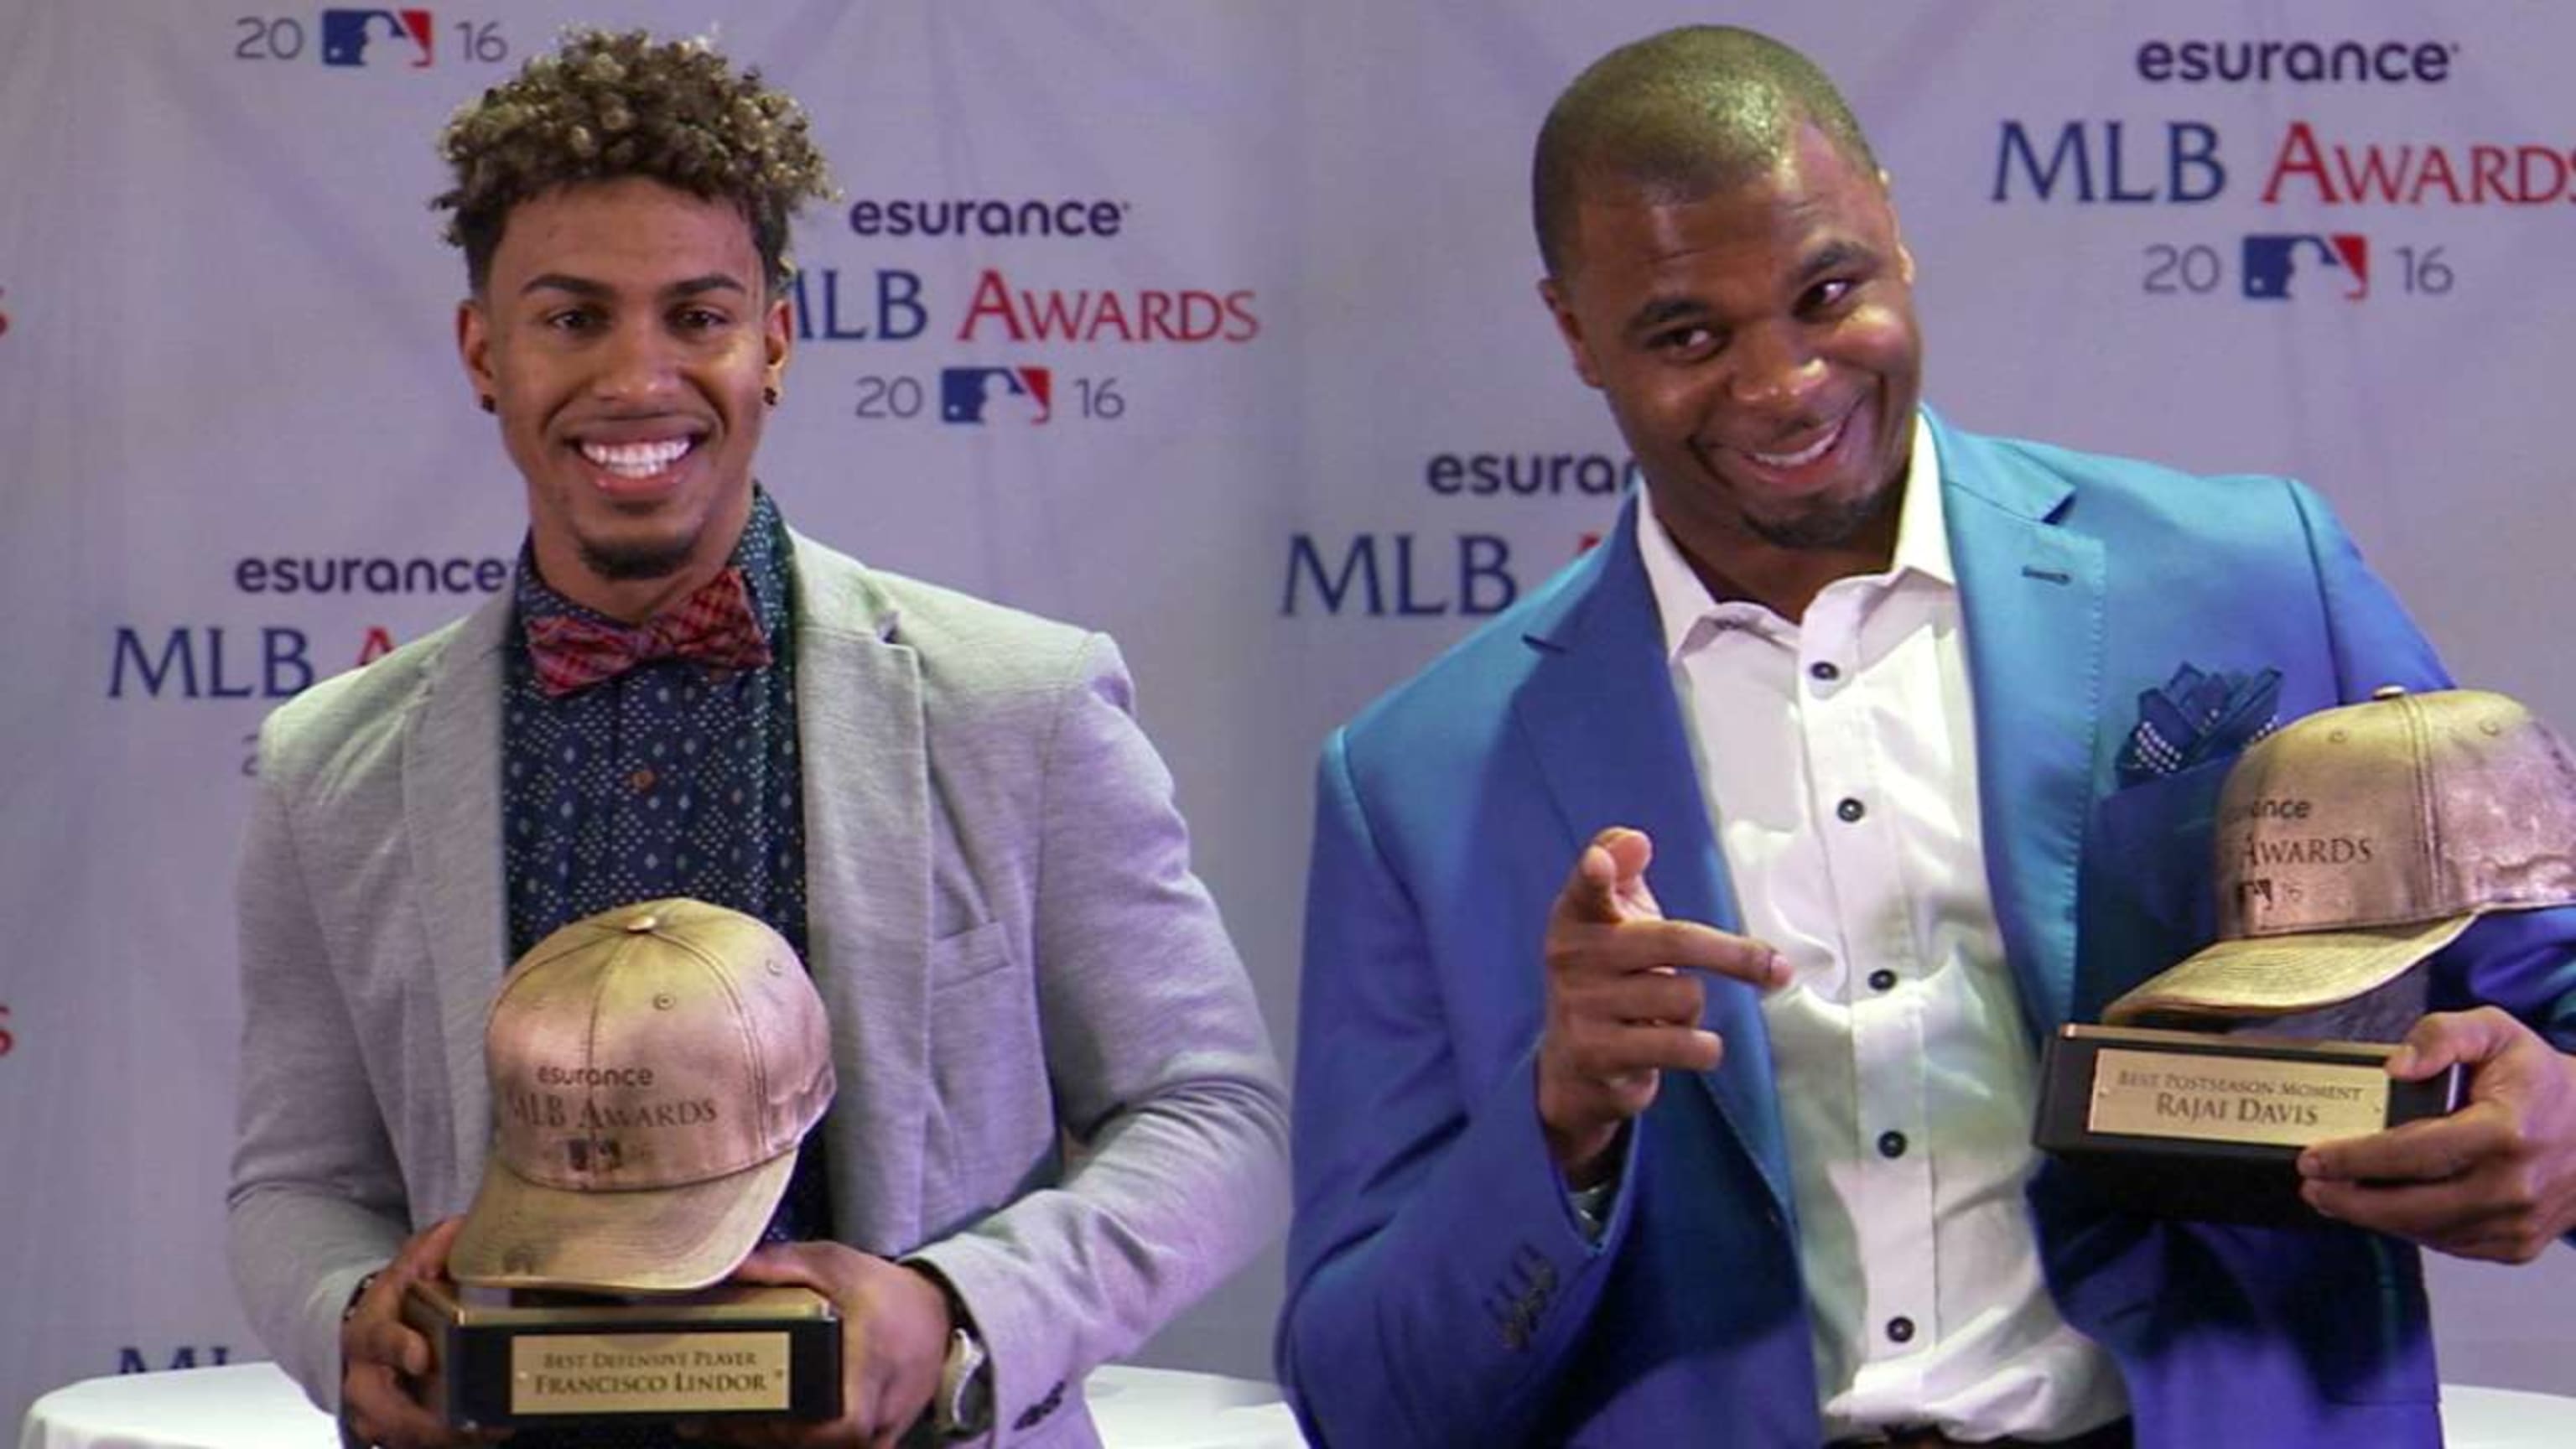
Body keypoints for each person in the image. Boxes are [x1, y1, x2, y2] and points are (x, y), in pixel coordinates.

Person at [1278, 24, 2576, 1449]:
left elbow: (2551, 1003)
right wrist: (1559, 1121)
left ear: (1894, 227)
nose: (1783, 385)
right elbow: (1359, 1394)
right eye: (1687, 334)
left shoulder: (2255, 573)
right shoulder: (1418, 776)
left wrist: (2560, 1131)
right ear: (1577, 333)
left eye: (1825, 292)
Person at [226, 29, 1286, 1449]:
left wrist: (955, 1312)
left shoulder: (1019, 706)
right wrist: (352, 1313)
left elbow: (1215, 1118)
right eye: (573, 317)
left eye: (698, 316)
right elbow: (293, 1183)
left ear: (775, 339)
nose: (639, 378)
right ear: (485, 350)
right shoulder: (328, 766)